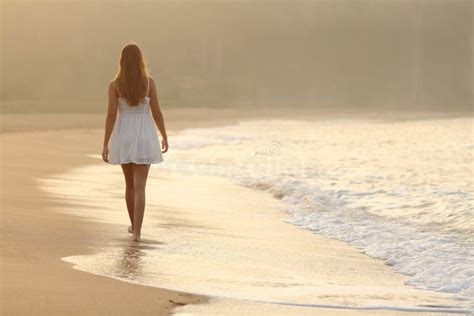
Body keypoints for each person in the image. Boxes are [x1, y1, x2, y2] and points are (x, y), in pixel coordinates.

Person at [101, 43, 168, 242]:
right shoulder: (149, 83)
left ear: (121, 61)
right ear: (141, 60)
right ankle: (137, 232)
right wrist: (164, 135)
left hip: (124, 135)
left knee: (129, 185)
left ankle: (133, 225)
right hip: (144, 134)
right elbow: (156, 112)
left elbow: (111, 115)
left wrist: (106, 143)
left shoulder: (114, 85)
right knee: (140, 187)